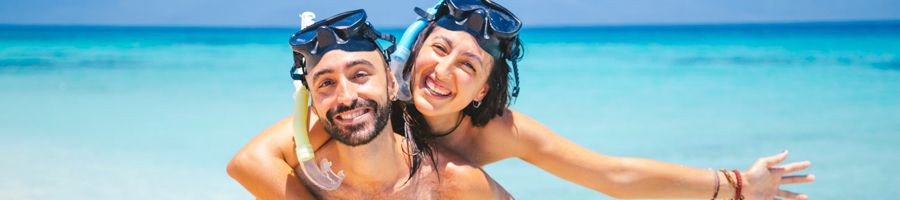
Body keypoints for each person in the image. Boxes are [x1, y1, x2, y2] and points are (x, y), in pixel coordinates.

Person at [229, 1, 815, 199]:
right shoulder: (360, 100)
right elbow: (250, 162)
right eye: (438, 50)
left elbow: (612, 174)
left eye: (468, 66)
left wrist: (734, 184)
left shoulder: (490, 137)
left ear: (484, 87)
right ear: (409, 54)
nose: (442, 72)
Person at [228, 9, 511, 199]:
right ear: (312, 101)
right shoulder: (304, 183)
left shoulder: (449, 181)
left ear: (391, 84)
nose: (347, 96)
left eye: (360, 74)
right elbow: (246, 163)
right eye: (326, 83)